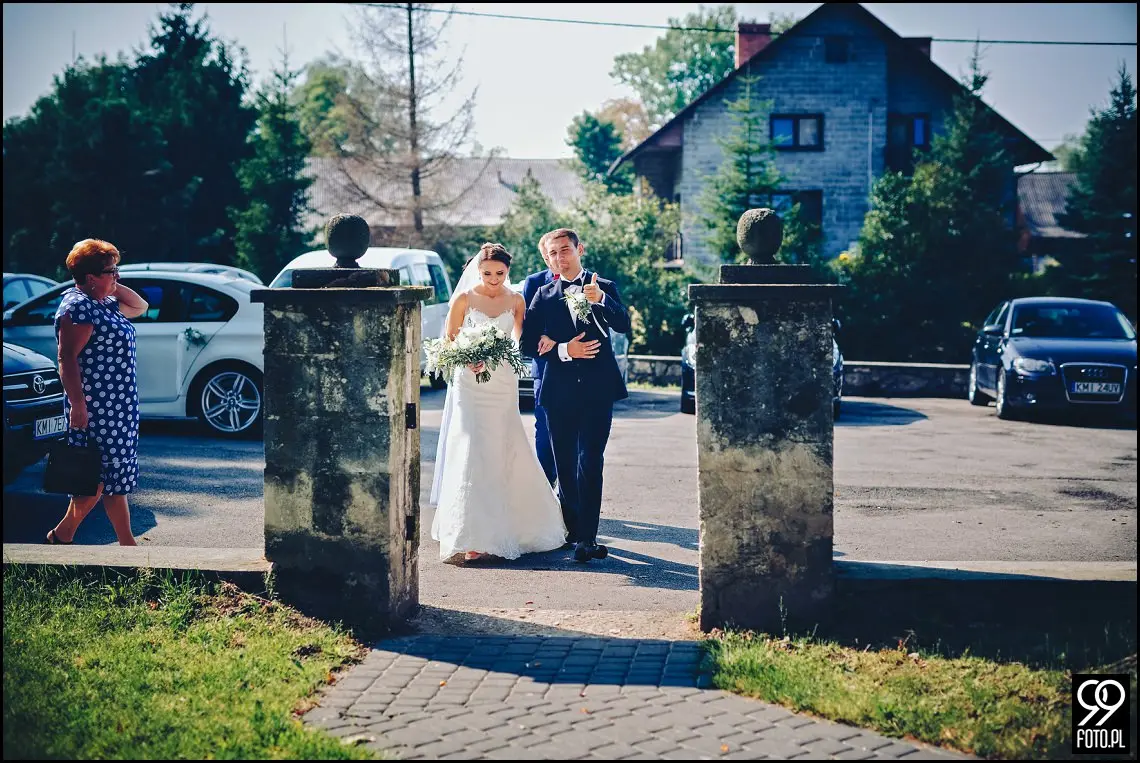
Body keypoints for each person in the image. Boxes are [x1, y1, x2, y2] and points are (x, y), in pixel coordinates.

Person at [429, 243, 567, 564]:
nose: (493, 279)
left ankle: (512, 525)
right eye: (488, 272)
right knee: (473, 448)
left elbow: (521, 339)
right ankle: (471, 533)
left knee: (502, 445)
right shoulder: (464, 299)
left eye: (500, 273)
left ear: (508, 271)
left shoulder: (516, 300)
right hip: (470, 383)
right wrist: (469, 358)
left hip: (502, 379)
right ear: (478, 270)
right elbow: (449, 339)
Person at [520, 228, 631, 563]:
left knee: (590, 461)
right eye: (553, 254)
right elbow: (527, 345)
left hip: (598, 390)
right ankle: (571, 532)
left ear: (579, 249)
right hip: (558, 393)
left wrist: (601, 300)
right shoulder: (543, 294)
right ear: (547, 259)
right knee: (565, 464)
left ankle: (588, 537)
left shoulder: (604, 287)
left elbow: (624, 323)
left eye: (565, 250)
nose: (560, 258)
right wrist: (566, 350)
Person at [45, 239, 149, 546]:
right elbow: (67, 359)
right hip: (97, 407)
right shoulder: (78, 308)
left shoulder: (104, 302)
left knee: (103, 478)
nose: (116, 275)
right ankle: (128, 547)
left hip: (120, 405)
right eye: (110, 270)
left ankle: (62, 535)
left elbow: (141, 307)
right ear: (90, 277)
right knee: (102, 478)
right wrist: (77, 404)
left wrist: (111, 284)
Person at [519, 233, 559, 487]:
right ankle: (546, 489)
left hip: (581, 372)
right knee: (544, 432)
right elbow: (526, 330)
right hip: (544, 370)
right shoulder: (534, 283)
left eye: (557, 252)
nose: (553, 259)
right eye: (548, 255)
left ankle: (571, 496)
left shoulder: (592, 283)